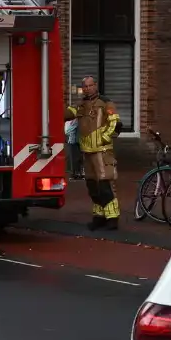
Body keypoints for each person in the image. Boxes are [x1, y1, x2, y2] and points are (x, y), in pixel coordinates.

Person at [64, 76, 120, 231]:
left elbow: (115, 123)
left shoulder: (105, 103)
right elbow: (68, 113)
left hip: (102, 152)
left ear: (95, 85)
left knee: (105, 184)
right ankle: (99, 216)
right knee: (92, 185)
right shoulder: (81, 105)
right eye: (85, 86)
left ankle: (112, 218)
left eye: (90, 85)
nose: (88, 89)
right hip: (87, 152)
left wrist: (104, 138)